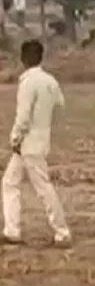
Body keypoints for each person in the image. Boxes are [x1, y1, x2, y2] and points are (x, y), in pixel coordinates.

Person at [3, 40, 70, 247]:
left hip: (27, 143)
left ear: (23, 59)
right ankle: (11, 230)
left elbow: (23, 117)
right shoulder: (50, 81)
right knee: (9, 182)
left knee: (42, 187)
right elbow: (60, 103)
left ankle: (62, 231)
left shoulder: (28, 82)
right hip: (40, 140)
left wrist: (14, 138)